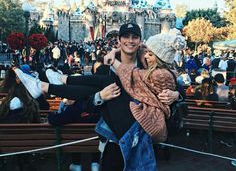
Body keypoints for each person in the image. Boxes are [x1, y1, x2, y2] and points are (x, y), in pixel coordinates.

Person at [14, 23, 181, 171]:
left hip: (140, 134)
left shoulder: (147, 63)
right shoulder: (104, 69)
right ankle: (47, 85)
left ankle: (50, 84)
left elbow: (176, 89)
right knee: (105, 82)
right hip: (114, 139)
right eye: (126, 36)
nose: (130, 40)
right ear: (119, 40)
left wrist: (176, 95)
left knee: (109, 81)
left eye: (135, 37)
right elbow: (85, 105)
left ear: (140, 41)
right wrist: (99, 97)